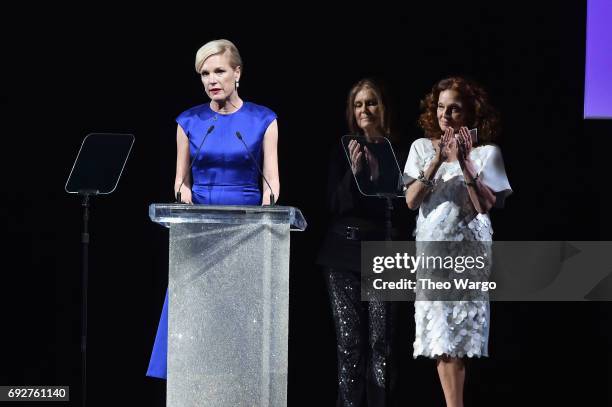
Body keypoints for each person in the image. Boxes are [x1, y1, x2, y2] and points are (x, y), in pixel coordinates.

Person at [147, 39, 279, 379]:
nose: (211, 79)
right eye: (205, 73)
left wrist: (266, 213)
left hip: (247, 227)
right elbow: (181, 181)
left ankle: (237, 376)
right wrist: (184, 197)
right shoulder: (189, 121)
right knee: (195, 311)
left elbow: (271, 182)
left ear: (238, 73)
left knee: (237, 312)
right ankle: (191, 377)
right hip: (199, 226)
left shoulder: (264, 119)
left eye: (219, 70)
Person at [403, 76, 512, 407]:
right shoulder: (421, 148)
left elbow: (483, 205)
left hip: (468, 254)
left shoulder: (487, 154)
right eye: (440, 108)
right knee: (442, 339)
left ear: (469, 114)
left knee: (462, 340)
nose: (445, 116)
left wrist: (464, 161)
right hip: (433, 255)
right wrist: (436, 159)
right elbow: (411, 201)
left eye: (454, 109)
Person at [317, 78, 410, 406]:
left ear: (382, 108)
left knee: (382, 345)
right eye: (358, 105)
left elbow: (405, 209)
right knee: (349, 344)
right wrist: (353, 173)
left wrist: (375, 175)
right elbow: (333, 206)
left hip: (385, 255)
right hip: (342, 255)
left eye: (370, 103)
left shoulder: (399, 152)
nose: (364, 110)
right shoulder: (343, 150)